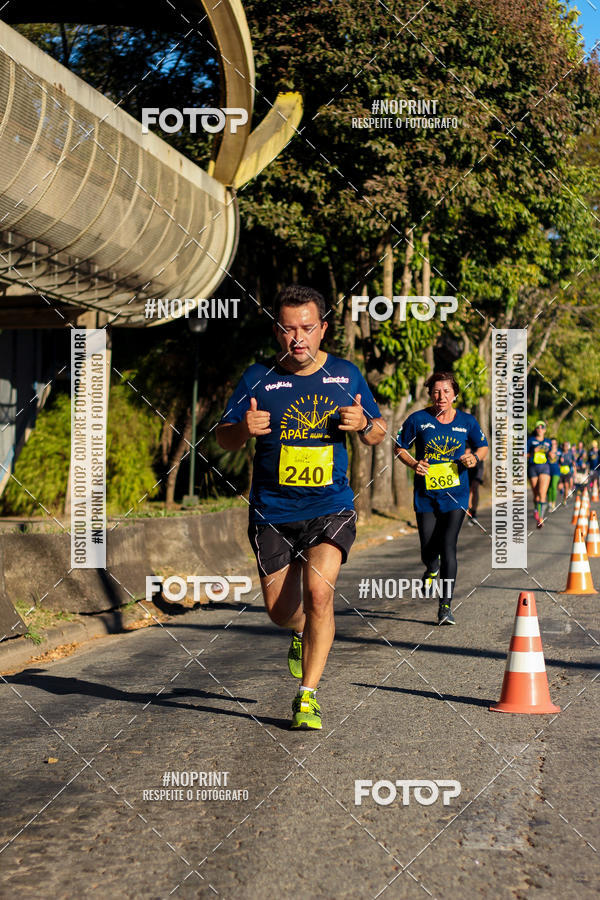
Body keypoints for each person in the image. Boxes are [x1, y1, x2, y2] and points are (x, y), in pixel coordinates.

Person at [216, 284, 386, 730]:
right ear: (277, 331)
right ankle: (297, 631)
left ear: (323, 328)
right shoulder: (257, 377)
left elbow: (377, 431)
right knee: (280, 611)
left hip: (330, 504)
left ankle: (307, 696)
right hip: (272, 510)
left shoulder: (345, 375)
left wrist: (363, 423)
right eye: (289, 329)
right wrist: (243, 430)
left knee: (319, 595)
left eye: (307, 328)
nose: (299, 339)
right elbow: (222, 435)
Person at [394, 371, 488, 625]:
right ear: (430, 394)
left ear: (455, 394)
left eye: (446, 391)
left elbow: (482, 445)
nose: (441, 396)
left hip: (455, 495)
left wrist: (475, 457)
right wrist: (414, 463)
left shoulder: (467, 421)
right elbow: (399, 447)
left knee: (448, 547)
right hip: (425, 495)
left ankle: (445, 607)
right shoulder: (418, 419)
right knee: (428, 549)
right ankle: (430, 568)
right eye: (436, 391)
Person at [527, 420, 552, 526]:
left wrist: (552, 455)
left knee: (542, 493)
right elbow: (524, 454)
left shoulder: (548, 442)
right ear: (536, 429)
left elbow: (552, 455)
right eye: (538, 427)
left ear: (545, 430)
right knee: (536, 494)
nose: (540, 429)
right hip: (533, 467)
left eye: (542, 427)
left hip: (544, 467)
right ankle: (537, 509)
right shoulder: (530, 440)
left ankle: (541, 518)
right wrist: (533, 452)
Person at [467, 456, 484, 526]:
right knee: (469, 490)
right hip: (467, 466)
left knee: (475, 487)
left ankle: (473, 512)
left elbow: (484, 451)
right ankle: (470, 513)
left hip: (478, 465)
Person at [547, 438, 561, 512]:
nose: (553, 445)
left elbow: (562, 462)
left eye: (554, 443)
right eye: (552, 443)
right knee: (549, 488)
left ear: (556, 444)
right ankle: (549, 503)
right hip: (548, 471)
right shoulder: (547, 451)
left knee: (553, 486)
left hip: (556, 472)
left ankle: (553, 503)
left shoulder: (559, 452)